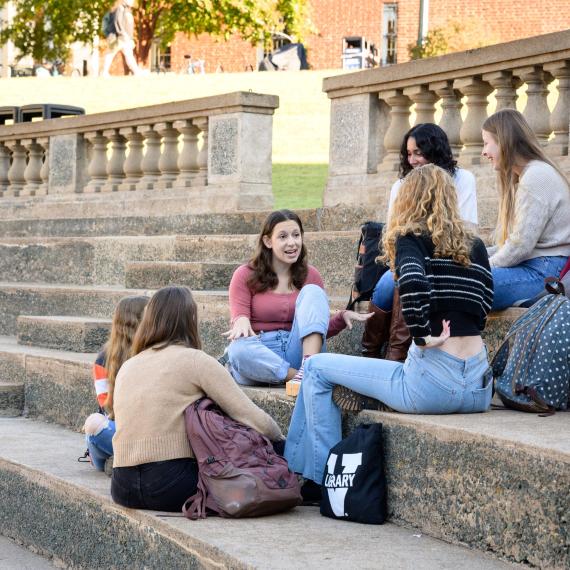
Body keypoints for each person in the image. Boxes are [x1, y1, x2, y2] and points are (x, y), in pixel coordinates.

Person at [285, 164, 494, 489]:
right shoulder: (476, 246)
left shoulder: (411, 239)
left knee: (314, 369)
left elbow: (411, 281)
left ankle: (322, 478)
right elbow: (485, 303)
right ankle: (293, 468)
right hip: (479, 388)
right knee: (331, 374)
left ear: (409, 199)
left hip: (431, 387)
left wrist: (422, 336)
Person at [110, 286, 283, 512]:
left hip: (122, 486)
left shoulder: (128, 366)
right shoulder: (194, 360)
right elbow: (251, 417)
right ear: (191, 319)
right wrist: (281, 443)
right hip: (171, 484)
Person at [363, 123, 479, 361]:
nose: (413, 160)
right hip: (406, 259)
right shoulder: (402, 186)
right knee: (390, 284)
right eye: (408, 154)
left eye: (419, 152)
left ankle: (396, 353)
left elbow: (467, 231)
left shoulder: (463, 179)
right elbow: (393, 236)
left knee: (409, 280)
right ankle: (372, 351)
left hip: (447, 258)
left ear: (435, 151)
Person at [223, 209, 371, 390]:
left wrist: (340, 319)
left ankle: (306, 369)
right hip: (261, 356)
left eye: (296, 235)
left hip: (299, 353)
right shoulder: (245, 274)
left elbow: (315, 331)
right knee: (237, 350)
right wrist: (240, 320)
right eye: (283, 237)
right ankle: (302, 376)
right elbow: (240, 321)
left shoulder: (311, 275)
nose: (292, 243)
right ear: (268, 241)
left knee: (313, 292)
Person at [481, 108, 570, 310]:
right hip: (535, 266)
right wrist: (475, 257)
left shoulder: (535, 177)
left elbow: (520, 247)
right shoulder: (528, 175)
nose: (483, 151)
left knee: (462, 285)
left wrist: (483, 265)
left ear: (504, 141)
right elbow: (510, 244)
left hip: (543, 273)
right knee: (456, 276)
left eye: (487, 143)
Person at [83, 295, 149, 472]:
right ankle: (118, 458)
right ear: (136, 322)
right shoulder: (104, 358)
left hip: (150, 431)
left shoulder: (155, 352)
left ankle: (121, 460)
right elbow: (106, 405)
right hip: (118, 425)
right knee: (94, 426)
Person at [101, 0, 141, 77]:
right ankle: (104, 72)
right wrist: (123, 34)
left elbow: (128, 27)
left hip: (125, 38)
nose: (132, 1)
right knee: (111, 54)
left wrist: (130, 38)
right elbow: (117, 21)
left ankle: (136, 72)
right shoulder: (120, 8)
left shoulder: (128, 10)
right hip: (119, 37)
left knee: (128, 55)